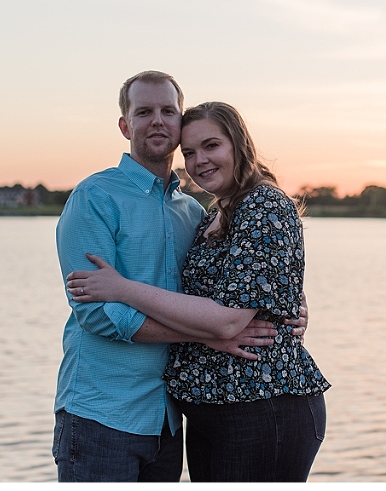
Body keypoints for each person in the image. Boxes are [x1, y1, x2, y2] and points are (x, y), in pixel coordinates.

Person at [53, 72, 307, 482]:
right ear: (125, 125)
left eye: (167, 111)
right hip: (103, 413)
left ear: (178, 123)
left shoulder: (194, 212)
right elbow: (98, 314)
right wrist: (208, 334)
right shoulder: (94, 198)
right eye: (144, 112)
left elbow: (238, 281)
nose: (157, 121)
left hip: (170, 420)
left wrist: (290, 306)